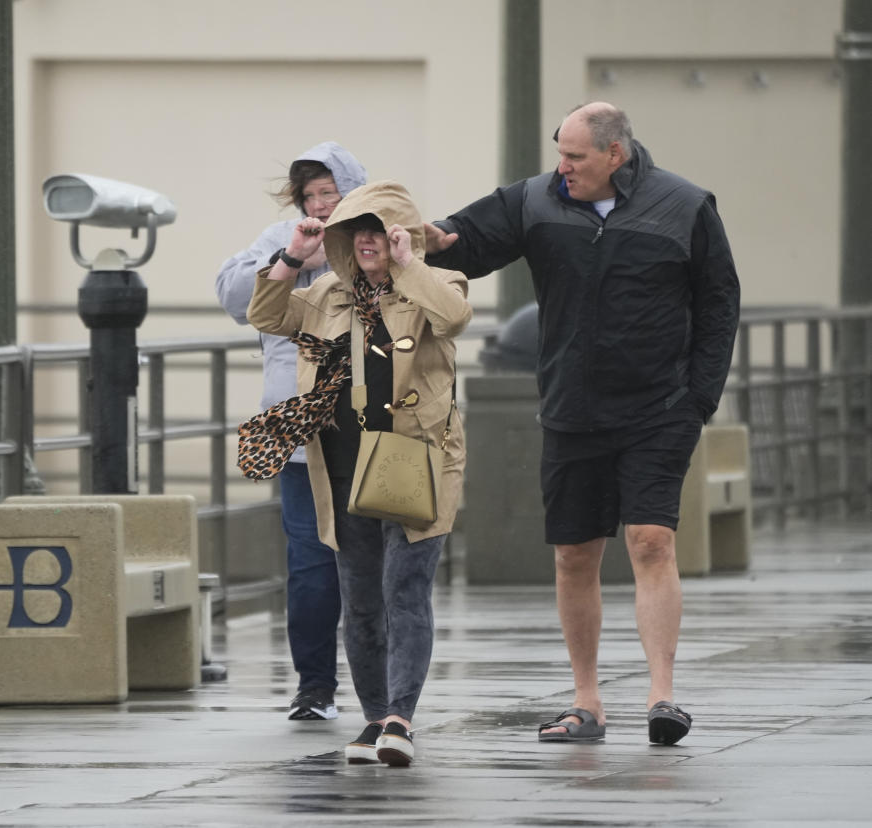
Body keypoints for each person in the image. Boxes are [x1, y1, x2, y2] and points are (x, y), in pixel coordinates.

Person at [424, 102, 740, 746]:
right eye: (558, 153)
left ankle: (662, 697)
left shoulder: (683, 205)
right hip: (571, 406)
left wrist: (698, 398)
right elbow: (462, 241)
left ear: (614, 155)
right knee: (574, 554)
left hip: (659, 407)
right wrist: (410, 236)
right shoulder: (537, 200)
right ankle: (587, 702)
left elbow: (718, 301)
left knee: (651, 538)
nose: (561, 167)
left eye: (575, 157)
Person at [243, 180, 473, 766]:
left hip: (416, 463)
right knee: (362, 601)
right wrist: (294, 255)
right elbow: (264, 313)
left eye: (378, 229)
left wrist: (407, 263)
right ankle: (375, 720)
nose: (366, 241)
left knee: (405, 591)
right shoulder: (326, 292)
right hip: (343, 465)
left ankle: (401, 717)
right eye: (356, 231)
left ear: (400, 234)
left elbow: (453, 318)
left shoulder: (436, 283)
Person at [217, 142, 366, 721]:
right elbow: (233, 297)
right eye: (311, 195)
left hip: (373, 427)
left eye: (331, 192)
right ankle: (315, 688)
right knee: (310, 561)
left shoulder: (378, 234)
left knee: (379, 562)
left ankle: (388, 695)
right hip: (300, 429)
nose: (321, 205)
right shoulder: (283, 237)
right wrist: (291, 257)